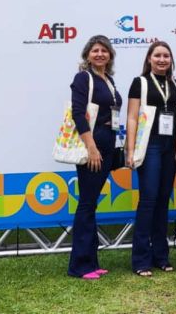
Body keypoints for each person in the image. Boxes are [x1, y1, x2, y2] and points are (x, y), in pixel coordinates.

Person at [67, 35, 122, 280]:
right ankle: (79, 266)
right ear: (87, 55)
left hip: (109, 144)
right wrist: (91, 148)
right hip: (94, 146)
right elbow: (79, 114)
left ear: (109, 55)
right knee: (87, 205)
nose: (99, 54)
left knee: (91, 205)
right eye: (95, 50)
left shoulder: (108, 80)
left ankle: (91, 262)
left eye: (104, 51)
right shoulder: (83, 78)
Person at [126, 41, 176, 277]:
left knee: (162, 200)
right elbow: (131, 118)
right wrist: (130, 150)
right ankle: (141, 259)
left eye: (166, 56)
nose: (162, 59)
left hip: (169, 147)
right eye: (157, 55)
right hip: (150, 146)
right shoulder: (140, 83)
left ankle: (161, 256)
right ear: (149, 58)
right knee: (148, 200)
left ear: (171, 60)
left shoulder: (174, 84)